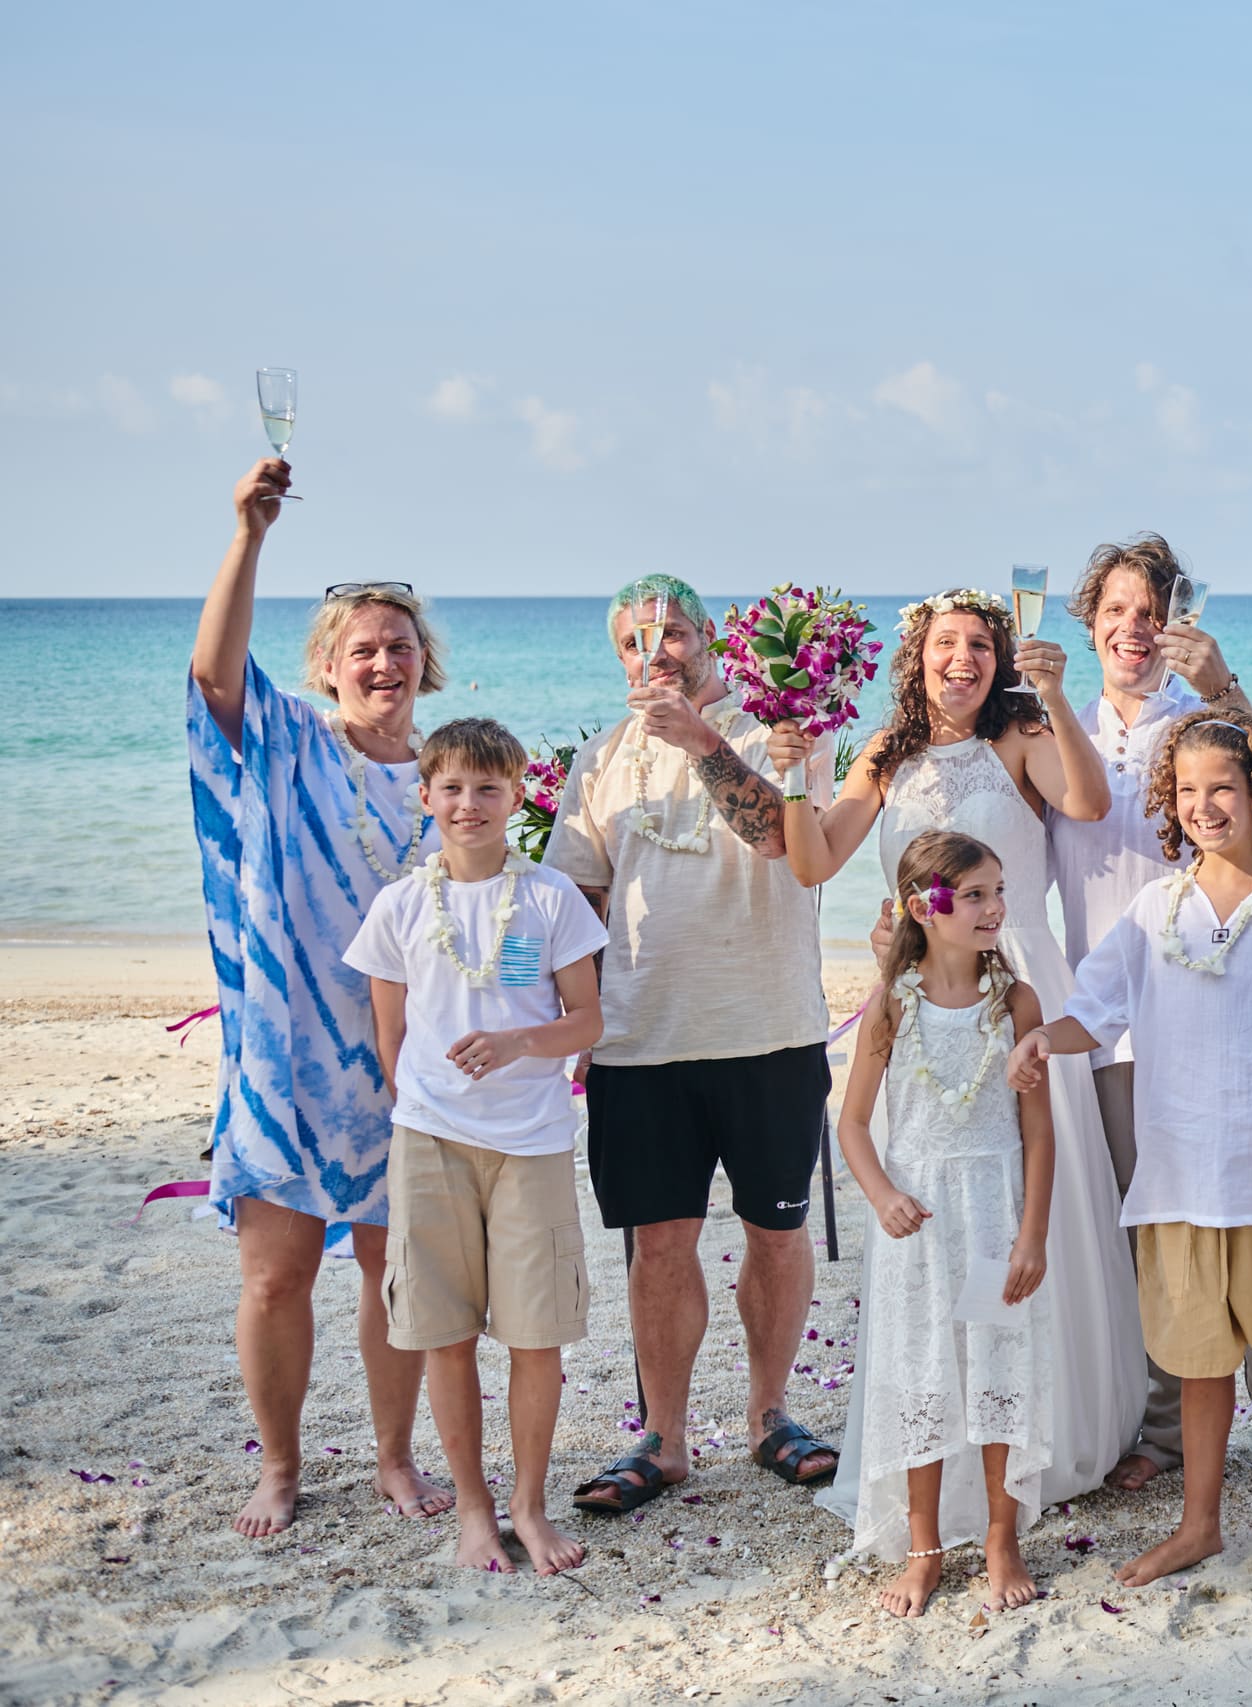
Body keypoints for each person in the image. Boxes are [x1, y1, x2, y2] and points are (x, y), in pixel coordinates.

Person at [767, 590, 1145, 1502]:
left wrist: (1052, 694)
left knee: (1032, 1193)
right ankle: (937, 1434)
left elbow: (1089, 801)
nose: (963, 660)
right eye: (947, 644)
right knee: (940, 1197)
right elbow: (815, 860)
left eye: (981, 644)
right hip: (924, 993)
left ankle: (1053, 1432)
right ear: (920, 656)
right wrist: (790, 774)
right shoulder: (886, 756)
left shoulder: (1019, 735)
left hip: (1022, 984)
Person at [1011, 713, 1252, 1599]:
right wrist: (1037, 1041)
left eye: (1222, 787)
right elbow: (1093, 1011)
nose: (1204, 805)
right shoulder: (1154, 909)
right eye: (1186, 791)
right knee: (1199, 1361)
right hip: (1180, 1178)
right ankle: (1200, 1523)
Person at [1041, 534, 1252, 1494]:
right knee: (1162, 1225)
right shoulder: (1059, 725)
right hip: (1117, 996)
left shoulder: (1200, 715)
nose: (1134, 629)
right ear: (1089, 625)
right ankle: (1173, 1427)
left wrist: (1226, 686)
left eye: (1151, 612)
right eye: (1116, 613)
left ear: (1175, 619)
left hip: (1234, 1002)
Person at [187, 457, 452, 1537]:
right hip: (288, 1050)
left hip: (407, 1062)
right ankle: (283, 1468)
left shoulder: (451, 775)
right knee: (276, 1274)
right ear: (327, 668)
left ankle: (393, 1459)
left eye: (399, 647)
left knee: (396, 1274)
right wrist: (248, 534)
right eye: (363, 650)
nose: (382, 662)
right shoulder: (290, 741)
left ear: (424, 663)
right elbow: (213, 678)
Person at [542, 574, 841, 1514]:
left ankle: (770, 1414)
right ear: (617, 656)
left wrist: (706, 743)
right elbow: (576, 908)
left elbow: (780, 846)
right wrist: (567, 1027)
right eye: (635, 641)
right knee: (658, 1243)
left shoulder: (784, 733)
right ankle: (664, 1439)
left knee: (776, 1231)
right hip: (639, 1042)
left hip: (769, 1028)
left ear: (710, 639)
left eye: (671, 634)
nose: (655, 652)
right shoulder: (599, 758)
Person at [343, 718, 609, 1574]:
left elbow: (588, 1019)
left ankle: (529, 1506)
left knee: (537, 1336)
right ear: (426, 798)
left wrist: (518, 1044)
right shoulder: (400, 905)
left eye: (488, 789)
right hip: (430, 1142)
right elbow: (391, 1036)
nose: (469, 804)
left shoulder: (550, 897)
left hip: (531, 1143)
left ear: (516, 796)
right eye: (452, 788)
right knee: (443, 1332)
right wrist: (430, 1104)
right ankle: (473, 1506)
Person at [819, 831, 1054, 1618]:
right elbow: (852, 1123)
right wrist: (882, 1193)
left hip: (992, 1214)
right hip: (916, 1228)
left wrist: (1033, 1235)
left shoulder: (1016, 1001)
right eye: (976, 894)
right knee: (921, 1371)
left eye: (998, 891)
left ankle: (1000, 1531)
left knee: (994, 1366)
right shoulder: (894, 1001)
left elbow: (1038, 1134)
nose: (995, 908)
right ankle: (923, 1545)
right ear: (926, 905)